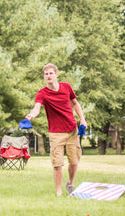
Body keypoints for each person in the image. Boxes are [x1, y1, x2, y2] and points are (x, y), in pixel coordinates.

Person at [26, 63, 87, 196]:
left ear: (56, 74)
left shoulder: (66, 87)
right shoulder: (42, 93)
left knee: (74, 161)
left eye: (51, 73)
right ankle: (59, 192)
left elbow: (75, 104)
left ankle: (70, 183)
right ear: (44, 76)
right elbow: (37, 107)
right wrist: (31, 115)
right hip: (56, 133)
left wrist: (82, 119)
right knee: (57, 164)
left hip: (72, 130)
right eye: (46, 74)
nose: (48, 76)